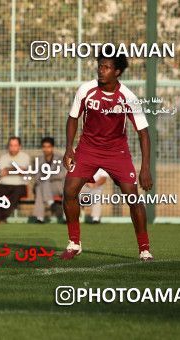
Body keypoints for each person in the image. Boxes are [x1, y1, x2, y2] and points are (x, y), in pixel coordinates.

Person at [60, 46, 154, 261]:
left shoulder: (128, 97)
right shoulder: (86, 90)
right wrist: (69, 147)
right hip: (88, 149)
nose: (101, 70)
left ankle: (144, 249)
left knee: (133, 198)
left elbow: (143, 133)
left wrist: (145, 168)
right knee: (69, 190)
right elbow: (73, 117)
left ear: (117, 71)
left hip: (117, 152)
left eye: (106, 67)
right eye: (99, 66)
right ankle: (74, 243)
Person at [0, 137, 29, 224]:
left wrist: (7, 170)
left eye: (15, 145)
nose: (13, 148)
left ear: (19, 146)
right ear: (8, 146)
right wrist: (15, 169)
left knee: (15, 196)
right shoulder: (3, 158)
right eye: (11, 145)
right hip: (4, 184)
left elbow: (22, 171)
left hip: (19, 185)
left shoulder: (25, 157)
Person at [32, 137, 65, 223]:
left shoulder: (60, 158)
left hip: (58, 186)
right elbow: (36, 176)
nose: (46, 149)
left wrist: (48, 176)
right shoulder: (38, 160)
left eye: (48, 146)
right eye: (44, 146)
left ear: (52, 147)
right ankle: (42, 214)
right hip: (44, 187)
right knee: (39, 187)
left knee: (43, 183)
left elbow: (62, 174)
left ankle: (42, 215)